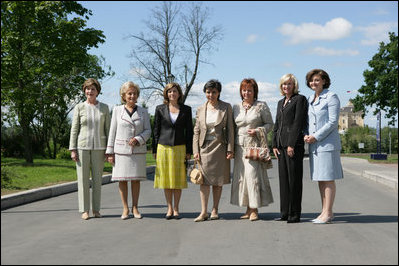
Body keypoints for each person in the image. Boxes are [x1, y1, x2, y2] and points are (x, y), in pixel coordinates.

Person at [105, 81, 151, 220]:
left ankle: (135, 207)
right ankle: (125, 208)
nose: (132, 96)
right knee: (122, 180)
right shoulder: (117, 110)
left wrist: (139, 138)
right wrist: (110, 152)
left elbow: (148, 130)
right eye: (129, 93)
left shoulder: (143, 111)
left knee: (136, 180)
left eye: (135, 93)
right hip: (121, 151)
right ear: (124, 95)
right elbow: (112, 131)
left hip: (137, 151)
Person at [230, 78, 274, 221]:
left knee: (253, 176)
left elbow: (270, 124)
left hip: (253, 146)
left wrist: (258, 130)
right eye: (244, 90)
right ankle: (248, 208)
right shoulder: (236, 107)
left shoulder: (261, 106)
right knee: (242, 178)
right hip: (239, 147)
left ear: (255, 91)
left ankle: (255, 209)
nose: (246, 92)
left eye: (249, 90)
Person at [304, 69, 343, 224]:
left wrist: (316, 136)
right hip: (314, 146)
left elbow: (333, 122)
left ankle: (327, 213)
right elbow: (308, 122)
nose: (314, 83)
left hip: (327, 144)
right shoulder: (310, 99)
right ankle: (325, 211)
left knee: (327, 179)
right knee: (320, 179)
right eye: (312, 80)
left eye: (317, 80)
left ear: (324, 81)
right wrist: (306, 134)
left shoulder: (331, 97)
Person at [192, 79, 235, 222]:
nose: (211, 95)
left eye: (214, 92)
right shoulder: (200, 108)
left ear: (219, 93)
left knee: (218, 181)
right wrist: (195, 150)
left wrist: (230, 149)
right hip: (204, 148)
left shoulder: (226, 107)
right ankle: (203, 212)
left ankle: (215, 210)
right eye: (208, 92)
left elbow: (230, 130)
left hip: (220, 148)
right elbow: (196, 131)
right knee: (203, 181)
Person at [69, 78, 111, 220]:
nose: (90, 91)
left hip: (100, 148)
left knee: (98, 180)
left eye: (93, 89)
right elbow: (74, 129)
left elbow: (108, 129)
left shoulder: (104, 108)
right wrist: (73, 149)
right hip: (82, 147)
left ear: (97, 91)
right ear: (84, 91)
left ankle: (96, 209)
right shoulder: (79, 107)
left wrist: (109, 150)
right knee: (83, 180)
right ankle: (85, 210)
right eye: (87, 89)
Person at [153, 82, 193, 219]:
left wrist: (189, 150)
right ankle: (169, 208)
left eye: (175, 91)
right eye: (169, 91)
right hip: (163, 147)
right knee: (166, 180)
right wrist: (154, 149)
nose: (172, 94)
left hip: (180, 148)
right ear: (166, 93)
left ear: (179, 93)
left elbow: (190, 132)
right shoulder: (160, 109)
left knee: (178, 179)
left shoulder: (186, 109)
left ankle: (176, 208)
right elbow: (156, 131)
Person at [272, 74, 308, 223]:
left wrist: (291, 144)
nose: (286, 86)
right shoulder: (281, 102)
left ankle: (294, 214)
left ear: (294, 85)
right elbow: (277, 124)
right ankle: (285, 213)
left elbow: (298, 123)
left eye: (289, 84)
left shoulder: (300, 99)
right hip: (280, 146)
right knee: (284, 181)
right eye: (284, 84)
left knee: (294, 181)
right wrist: (274, 144)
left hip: (293, 146)